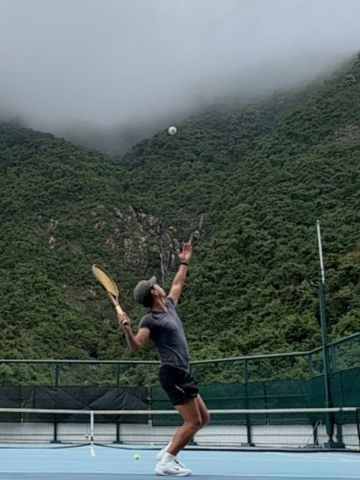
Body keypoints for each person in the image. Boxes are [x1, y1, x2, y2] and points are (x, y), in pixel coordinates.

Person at [110, 242, 210, 476]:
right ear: (153, 291)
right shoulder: (149, 321)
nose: (160, 285)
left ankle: (168, 450)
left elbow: (178, 282)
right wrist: (126, 329)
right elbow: (136, 346)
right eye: (156, 284)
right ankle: (165, 462)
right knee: (193, 422)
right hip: (172, 373)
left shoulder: (169, 305)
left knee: (203, 418)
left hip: (182, 372)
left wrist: (184, 261)